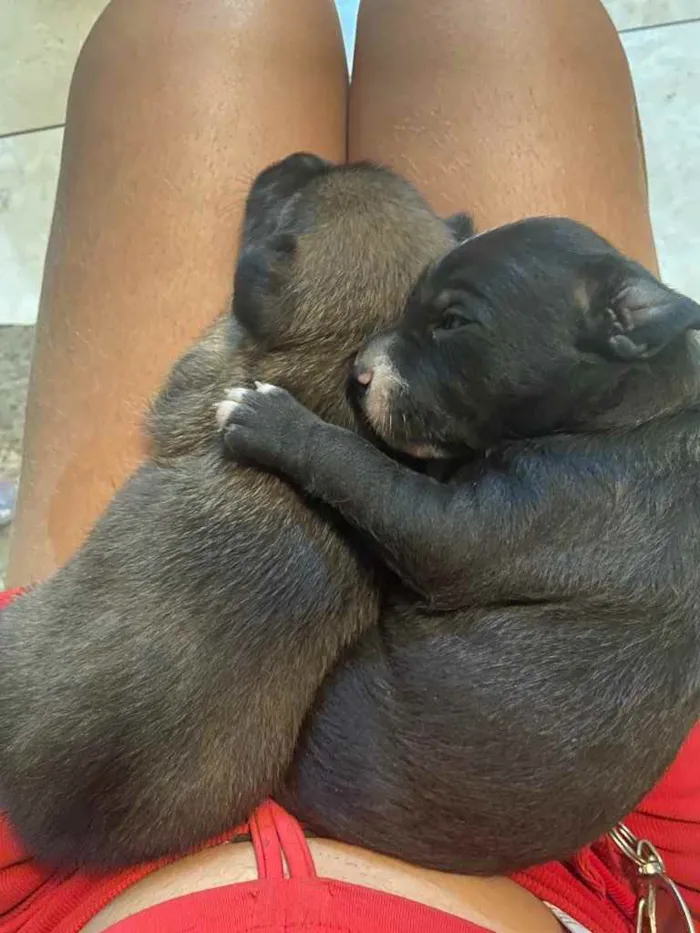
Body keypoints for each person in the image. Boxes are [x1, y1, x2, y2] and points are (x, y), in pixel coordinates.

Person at [2, 0, 697, 931]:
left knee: (201, 24)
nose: (374, 358)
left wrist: (284, 417)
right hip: (562, 809)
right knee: (508, 20)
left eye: (440, 326)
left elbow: (446, 539)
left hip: (113, 778)